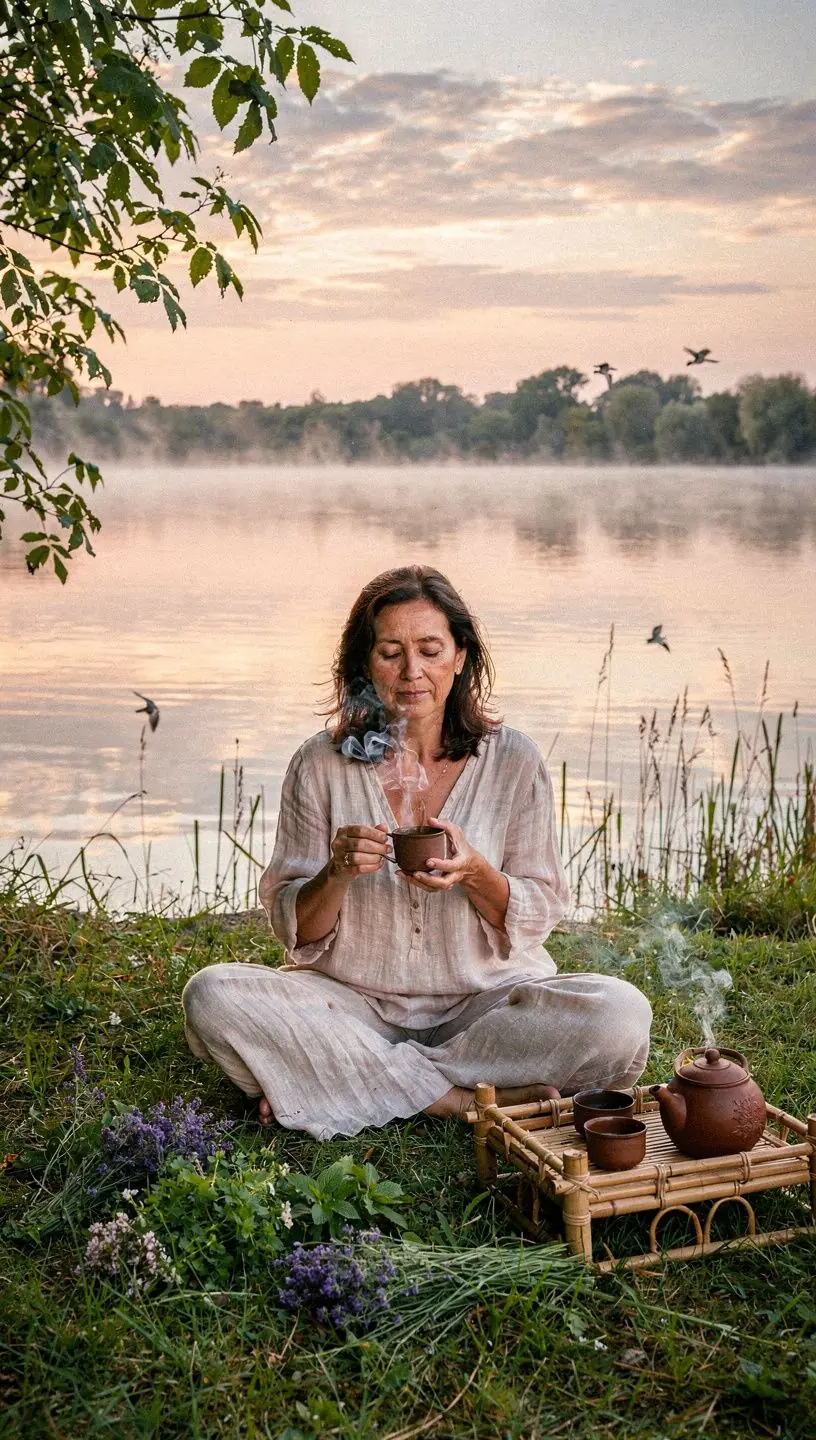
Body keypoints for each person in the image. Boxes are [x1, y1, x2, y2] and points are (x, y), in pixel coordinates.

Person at [182, 566, 652, 1139]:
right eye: (390, 652)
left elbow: (542, 906)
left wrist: (477, 873)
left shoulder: (513, 761)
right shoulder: (320, 766)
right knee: (212, 996)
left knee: (620, 1016)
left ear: (460, 657)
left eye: (431, 650)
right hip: (350, 1007)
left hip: (484, 1007)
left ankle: (335, 1078)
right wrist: (335, 873)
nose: (412, 672)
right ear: (363, 663)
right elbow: (296, 932)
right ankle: (455, 1099)